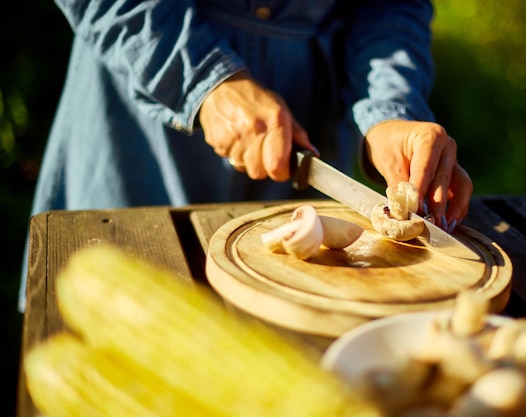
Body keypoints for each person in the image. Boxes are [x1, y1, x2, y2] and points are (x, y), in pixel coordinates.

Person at [19, 0, 473, 310]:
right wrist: (205, 80)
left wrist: (388, 111)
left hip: (306, 113)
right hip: (142, 104)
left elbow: (389, 6)